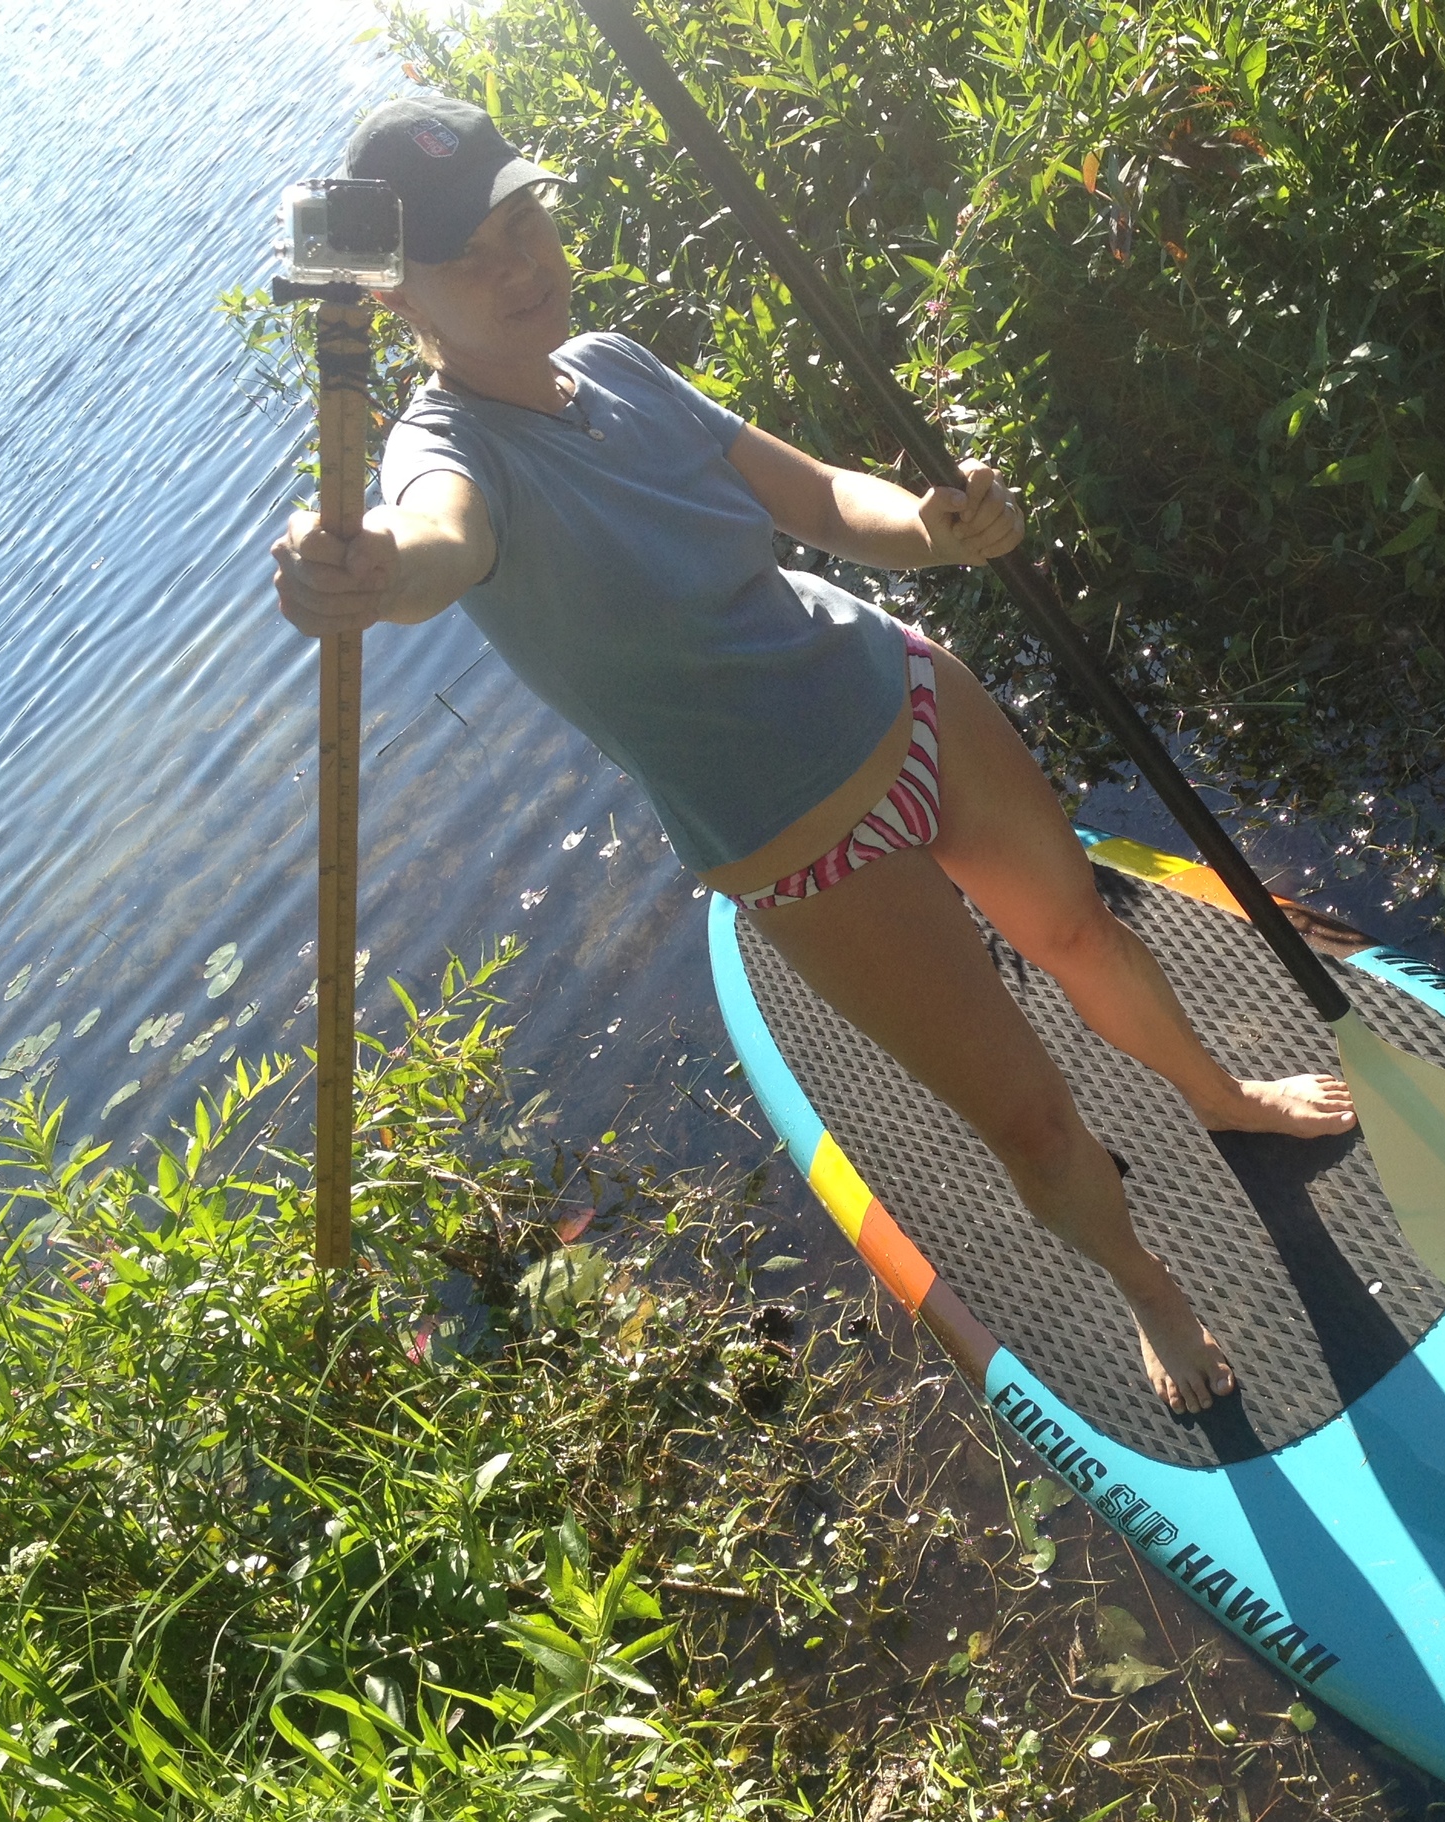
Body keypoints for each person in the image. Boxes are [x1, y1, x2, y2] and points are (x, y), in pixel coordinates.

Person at [269, 96, 1353, 1414]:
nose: (519, 264)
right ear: (393, 301)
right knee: (1027, 1120)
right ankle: (1153, 1292)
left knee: (1084, 934)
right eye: (470, 255)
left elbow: (823, 497)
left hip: (900, 694)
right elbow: (432, 545)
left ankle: (1222, 1099)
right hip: (797, 843)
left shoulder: (616, 361)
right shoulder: (441, 454)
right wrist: (369, 573)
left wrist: (934, 529)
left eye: (523, 221)